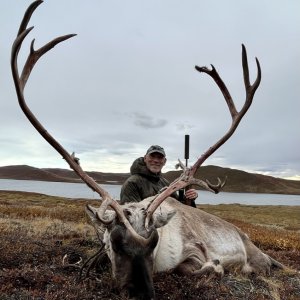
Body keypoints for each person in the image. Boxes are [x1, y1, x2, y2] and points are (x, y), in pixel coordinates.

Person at [120, 145, 198, 206]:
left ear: (164, 161)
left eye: (160, 157)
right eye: (152, 156)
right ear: (145, 158)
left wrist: (189, 198)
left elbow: (178, 207)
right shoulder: (132, 183)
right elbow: (131, 215)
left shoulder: (164, 182)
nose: (156, 160)